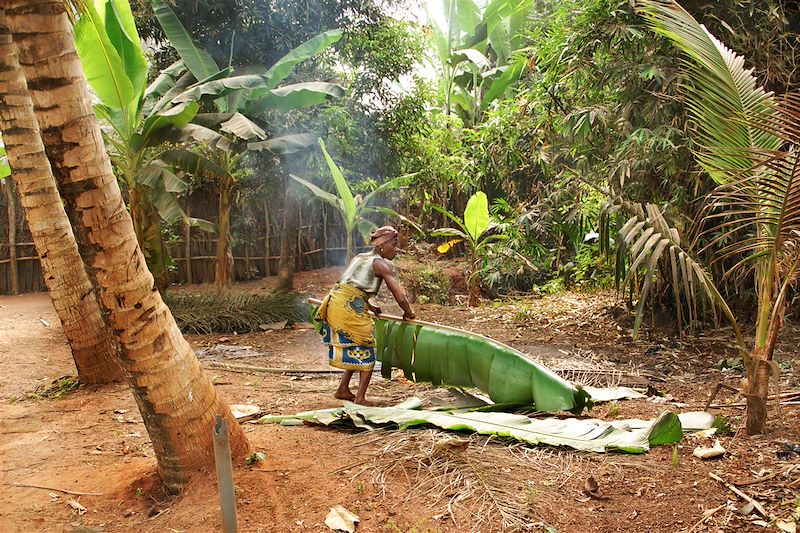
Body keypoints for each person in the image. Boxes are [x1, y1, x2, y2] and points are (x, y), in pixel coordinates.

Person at [315, 225, 415, 405]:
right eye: (394, 244)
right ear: (382, 246)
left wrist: (369, 304)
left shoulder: (360, 257)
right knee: (367, 346)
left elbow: (349, 283)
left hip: (338, 300)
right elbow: (398, 295)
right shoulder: (380, 264)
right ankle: (360, 398)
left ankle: (343, 390)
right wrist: (408, 313)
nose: (396, 248)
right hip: (346, 306)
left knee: (356, 346)